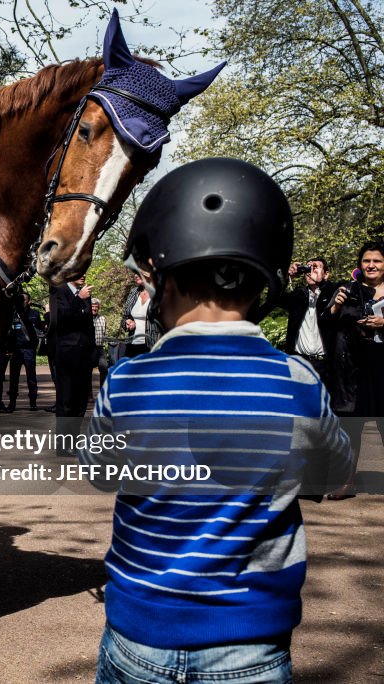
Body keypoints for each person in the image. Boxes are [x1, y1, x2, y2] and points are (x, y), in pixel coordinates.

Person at [82, 158, 352, 684]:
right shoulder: (297, 380)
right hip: (250, 643)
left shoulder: (128, 380)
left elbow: (100, 471)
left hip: (140, 632)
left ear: (164, 277)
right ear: (263, 277)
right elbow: (337, 472)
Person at [322, 241, 384, 499]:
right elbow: (326, 322)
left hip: (382, 366)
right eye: (366, 261)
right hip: (353, 368)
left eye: (377, 261)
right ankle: (348, 481)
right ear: (359, 265)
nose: (371, 265)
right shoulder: (348, 289)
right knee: (352, 426)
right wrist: (335, 305)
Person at [48, 275, 96, 420]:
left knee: (81, 402)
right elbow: (60, 319)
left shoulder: (84, 292)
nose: (83, 275)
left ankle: (74, 438)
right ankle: (64, 440)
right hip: (67, 354)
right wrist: (78, 299)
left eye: (84, 271)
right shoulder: (58, 291)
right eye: (79, 271)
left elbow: (89, 326)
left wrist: (93, 354)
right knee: (66, 401)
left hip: (84, 356)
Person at [281, 258, 337, 380]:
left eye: (315, 267)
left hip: (325, 364)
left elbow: (336, 289)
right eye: (308, 267)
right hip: (299, 361)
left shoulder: (333, 294)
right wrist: (286, 277)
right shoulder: (298, 295)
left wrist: (320, 282)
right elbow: (276, 298)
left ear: (326, 274)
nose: (311, 271)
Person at [7, 294, 44, 411]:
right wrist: (9, 349)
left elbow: (40, 332)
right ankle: (12, 403)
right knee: (13, 378)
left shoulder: (35, 314)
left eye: (24, 300)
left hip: (29, 350)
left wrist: (34, 346)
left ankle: (33, 402)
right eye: (20, 300)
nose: (22, 301)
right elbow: (9, 333)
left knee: (31, 377)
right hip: (16, 351)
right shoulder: (13, 314)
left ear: (29, 301)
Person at [119, 273, 159, 357]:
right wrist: (127, 322)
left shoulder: (159, 292)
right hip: (132, 344)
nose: (135, 275)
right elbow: (124, 317)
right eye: (134, 272)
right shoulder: (134, 292)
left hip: (152, 344)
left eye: (138, 272)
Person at [91, 298, 109, 386]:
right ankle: (88, 394)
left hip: (100, 348)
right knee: (87, 370)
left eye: (96, 307)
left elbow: (104, 332)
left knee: (104, 367)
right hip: (89, 349)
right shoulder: (85, 319)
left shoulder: (102, 318)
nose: (94, 308)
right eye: (92, 306)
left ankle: (102, 390)